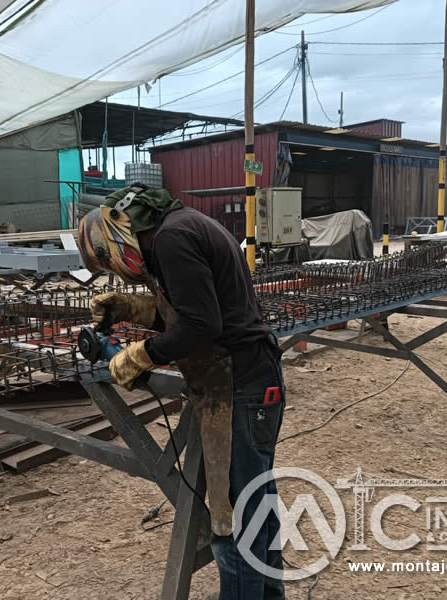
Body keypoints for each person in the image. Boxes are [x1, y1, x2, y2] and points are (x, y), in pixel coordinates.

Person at [78, 184, 286, 599]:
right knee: (255, 502)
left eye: (110, 263)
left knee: (232, 519)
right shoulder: (181, 226)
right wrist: (134, 308)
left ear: (117, 233)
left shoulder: (172, 239)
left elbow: (199, 326)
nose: (120, 272)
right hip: (250, 377)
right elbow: (200, 309)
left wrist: (140, 355)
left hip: (238, 385)